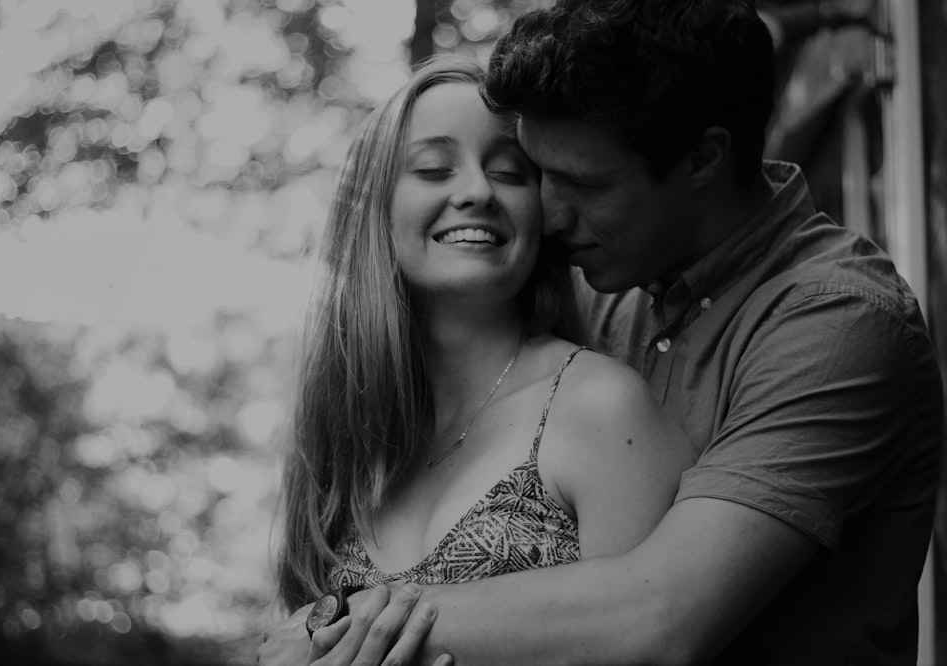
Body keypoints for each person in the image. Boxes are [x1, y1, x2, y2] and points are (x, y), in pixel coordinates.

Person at [259, 1, 943, 664]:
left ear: (703, 158)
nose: (548, 215)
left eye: (580, 183)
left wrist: (338, 624)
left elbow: (661, 615)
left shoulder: (840, 321)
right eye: (537, 174)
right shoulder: (602, 279)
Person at [264, 54, 694, 665]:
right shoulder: (350, 448)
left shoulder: (599, 407)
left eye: (510, 173)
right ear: (376, 213)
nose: (476, 191)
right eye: (435, 169)